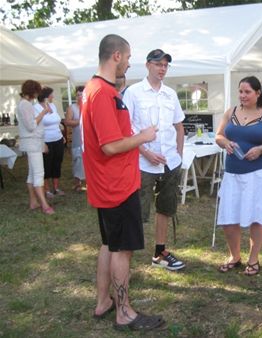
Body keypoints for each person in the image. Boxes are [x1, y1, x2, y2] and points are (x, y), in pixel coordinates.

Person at [81, 34, 164, 331]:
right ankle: (124, 311)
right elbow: (109, 146)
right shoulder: (102, 93)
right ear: (116, 56)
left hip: (111, 183)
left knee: (110, 243)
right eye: (128, 58)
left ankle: (104, 302)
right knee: (122, 249)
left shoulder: (98, 90)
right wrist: (143, 136)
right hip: (115, 186)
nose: (129, 63)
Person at [215, 75, 262, 276]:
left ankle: (253, 259)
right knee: (229, 218)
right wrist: (225, 143)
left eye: (247, 92)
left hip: (258, 175)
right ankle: (234, 256)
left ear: (257, 93)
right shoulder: (231, 112)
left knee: (256, 217)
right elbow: (219, 135)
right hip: (232, 173)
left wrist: (261, 149)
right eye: (240, 91)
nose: (242, 95)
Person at [123, 49, 185, 271]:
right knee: (137, 210)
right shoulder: (133, 92)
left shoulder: (170, 93)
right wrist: (146, 152)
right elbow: (126, 129)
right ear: (148, 65)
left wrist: (178, 154)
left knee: (165, 208)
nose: (162, 69)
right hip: (143, 163)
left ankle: (159, 252)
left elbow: (179, 125)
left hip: (169, 162)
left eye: (166, 65)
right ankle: (125, 257)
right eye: (159, 64)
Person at [17, 80, 55, 215]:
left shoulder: (25, 104)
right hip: (32, 142)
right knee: (39, 173)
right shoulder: (25, 105)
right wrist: (44, 112)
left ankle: (33, 202)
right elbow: (31, 126)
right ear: (33, 91)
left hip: (33, 142)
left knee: (32, 174)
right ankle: (45, 205)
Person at [34, 86, 65, 198]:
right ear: (46, 96)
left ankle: (56, 188)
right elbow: (35, 124)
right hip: (46, 140)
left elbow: (57, 122)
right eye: (52, 94)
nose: (53, 96)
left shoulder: (53, 106)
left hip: (57, 138)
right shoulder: (36, 107)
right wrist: (42, 142)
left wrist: (61, 136)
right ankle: (47, 190)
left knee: (57, 162)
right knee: (47, 164)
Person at [64, 86, 85, 192]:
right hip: (78, 138)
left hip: (89, 140)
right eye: (78, 95)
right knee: (78, 159)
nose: (79, 97)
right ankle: (77, 183)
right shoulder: (72, 108)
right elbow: (67, 122)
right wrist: (80, 121)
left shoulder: (89, 106)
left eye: (81, 94)